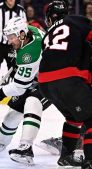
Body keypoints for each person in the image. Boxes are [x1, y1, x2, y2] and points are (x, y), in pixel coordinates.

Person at [0, 17, 50, 165]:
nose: (9, 41)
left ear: (22, 34)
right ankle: (2, 143)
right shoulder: (30, 31)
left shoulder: (30, 53)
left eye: (12, 37)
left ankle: (26, 148)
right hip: (35, 77)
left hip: (50, 80)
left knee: (32, 104)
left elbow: (19, 87)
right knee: (12, 116)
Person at [38, 0, 92, 168]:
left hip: (45, 84)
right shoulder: (77, 21)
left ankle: (66, 156)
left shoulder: (47, 35)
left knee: (73, 118)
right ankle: (90, 160)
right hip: (68, 80)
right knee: (90, 119)